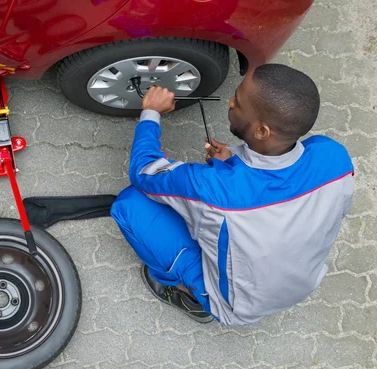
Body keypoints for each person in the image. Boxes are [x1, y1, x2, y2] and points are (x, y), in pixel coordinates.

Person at [110, 64, 354, 326]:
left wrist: (150, 112)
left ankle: (191, 295)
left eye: (237, 102)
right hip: (301, 283)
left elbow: (143, 171)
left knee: (130, 203)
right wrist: (235, 161)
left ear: (261, 131)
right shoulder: (335, 158)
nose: (230, 101)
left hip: (237, 307)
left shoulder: (215, 190)